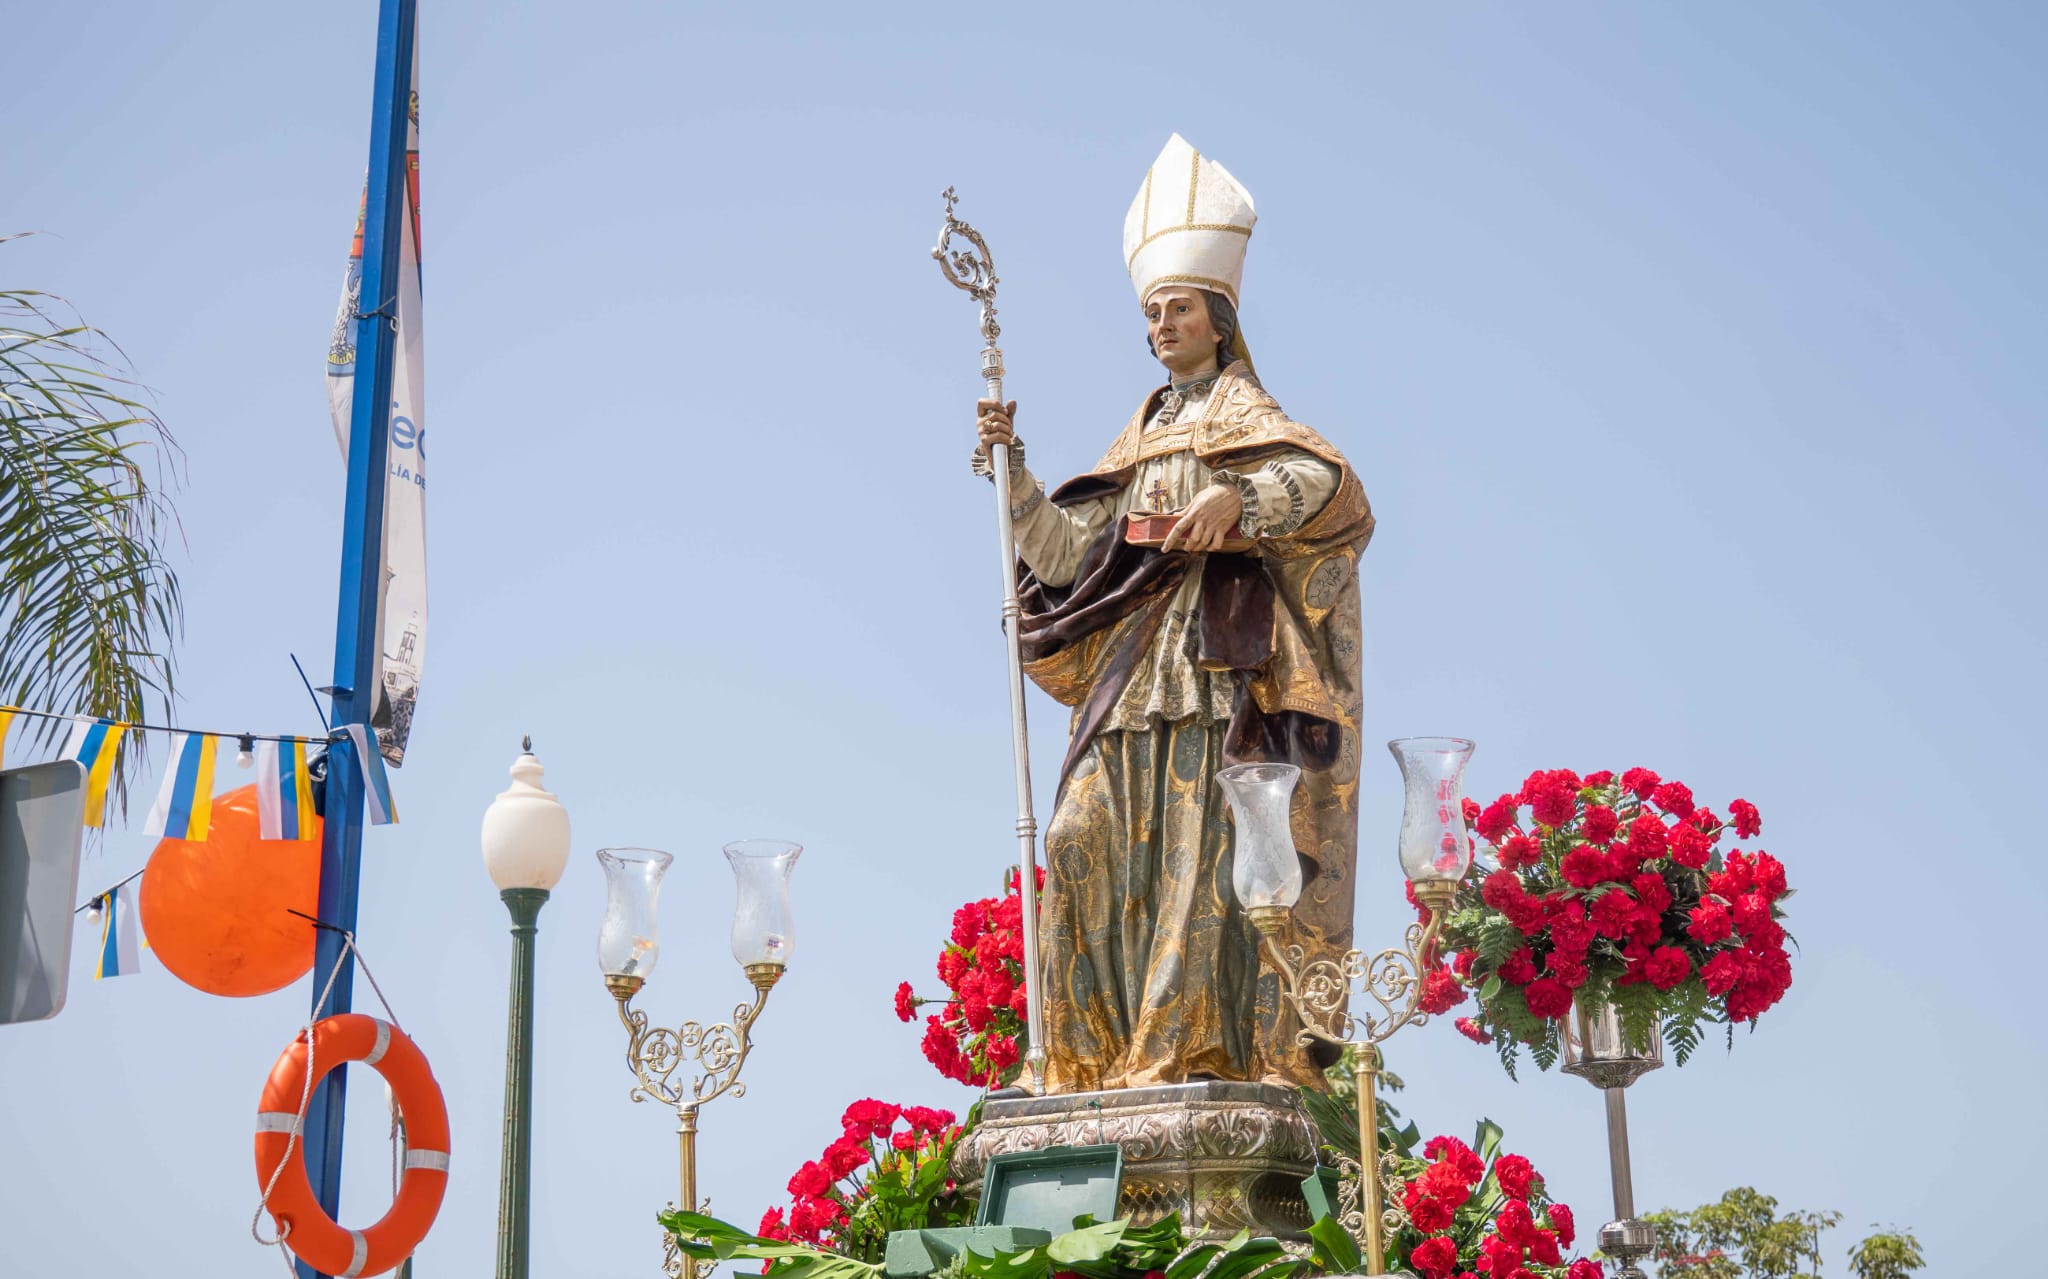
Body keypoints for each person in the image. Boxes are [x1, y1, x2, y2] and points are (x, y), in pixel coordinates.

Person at [970, 135, 1375, 1092]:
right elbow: (1073, 557)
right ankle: (1073, 1057)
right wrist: (1013, 475)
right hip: (1130, 679)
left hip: (1214, 680)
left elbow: (1331, 488)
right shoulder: (1142, 435)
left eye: (1178, 307)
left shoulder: (1250, 421)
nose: (1161, 324)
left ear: (1220, 318)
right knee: (1076, 842)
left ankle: (1179, 1052)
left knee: (1200, 869)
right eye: (1151, 311)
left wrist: (1239, 505)